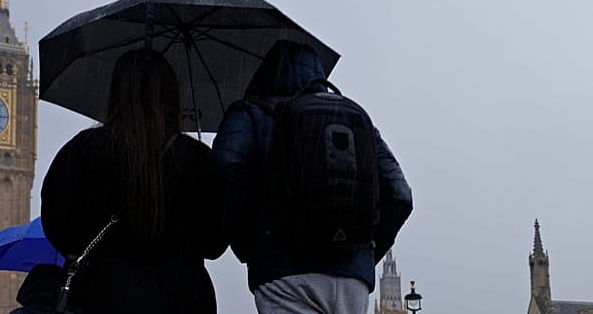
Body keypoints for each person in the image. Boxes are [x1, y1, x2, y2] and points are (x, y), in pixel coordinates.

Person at [211, 40, 413, 314]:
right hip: (352, 280)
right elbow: (400, 193)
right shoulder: (354, 118)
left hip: (285, 270)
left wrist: (251, 244)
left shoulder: (250, 112)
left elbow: (226, 167)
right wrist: (363, 254)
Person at [41, 49, 226, 314]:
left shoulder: (82, 150)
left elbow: (57, 226)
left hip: (103, 294)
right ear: (171, 96)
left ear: (115, 92)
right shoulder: (195, 158)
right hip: (182, 297)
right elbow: (215, 243)